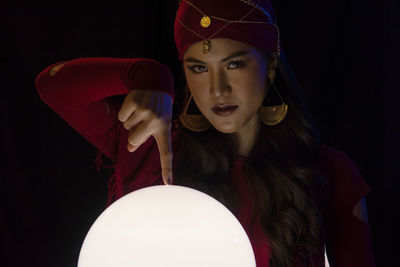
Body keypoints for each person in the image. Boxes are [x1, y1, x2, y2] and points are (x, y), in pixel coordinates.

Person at [35, 0, 375, 266]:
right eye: (198, 68)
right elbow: (53, 87)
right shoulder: (151, 147)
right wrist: (144, 73)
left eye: (235, 64)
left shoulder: (328, 173)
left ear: (270, 67)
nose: (217, 89)